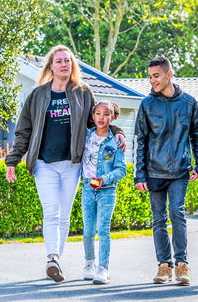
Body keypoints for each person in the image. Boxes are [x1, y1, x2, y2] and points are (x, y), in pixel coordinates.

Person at [5, 45, 125, 283]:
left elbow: (97, 121)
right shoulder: (38, 95)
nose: (63, 65)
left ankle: (56, 259)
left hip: (72, 163)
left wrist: (116, 131)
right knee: (51, 211)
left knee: (64, 214)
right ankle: (53, 259)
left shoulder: (82, 92)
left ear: (72, 65)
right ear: (51, 66)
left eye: (67, 61)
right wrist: (13, 159)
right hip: (44, 163)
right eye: (59, 61)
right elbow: (24, 131)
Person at [134, 56, 198, 286]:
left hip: (180, 171)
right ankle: (164, 266)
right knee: (158, 219)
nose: (152, 81)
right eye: (150, 76)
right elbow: (141, 141)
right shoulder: (146, 104)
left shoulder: (189, 103)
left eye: (156, 76)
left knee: (177, 213)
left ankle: (182, 265)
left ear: (169, 74)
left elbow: (196, 136)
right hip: (154, 172)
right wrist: (140, 174)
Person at [81, 100, 126, 285]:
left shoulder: (115, 140)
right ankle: (89, 264)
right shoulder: (85, 136)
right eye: (98, 113)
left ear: (112, 117)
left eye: (106, 114)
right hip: (87, 188)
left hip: (106, 191)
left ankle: (103, 269)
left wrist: (104, 179)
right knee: (88, 230)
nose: (101, 117)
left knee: (103, 230)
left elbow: (121, 170)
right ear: (92, 116)